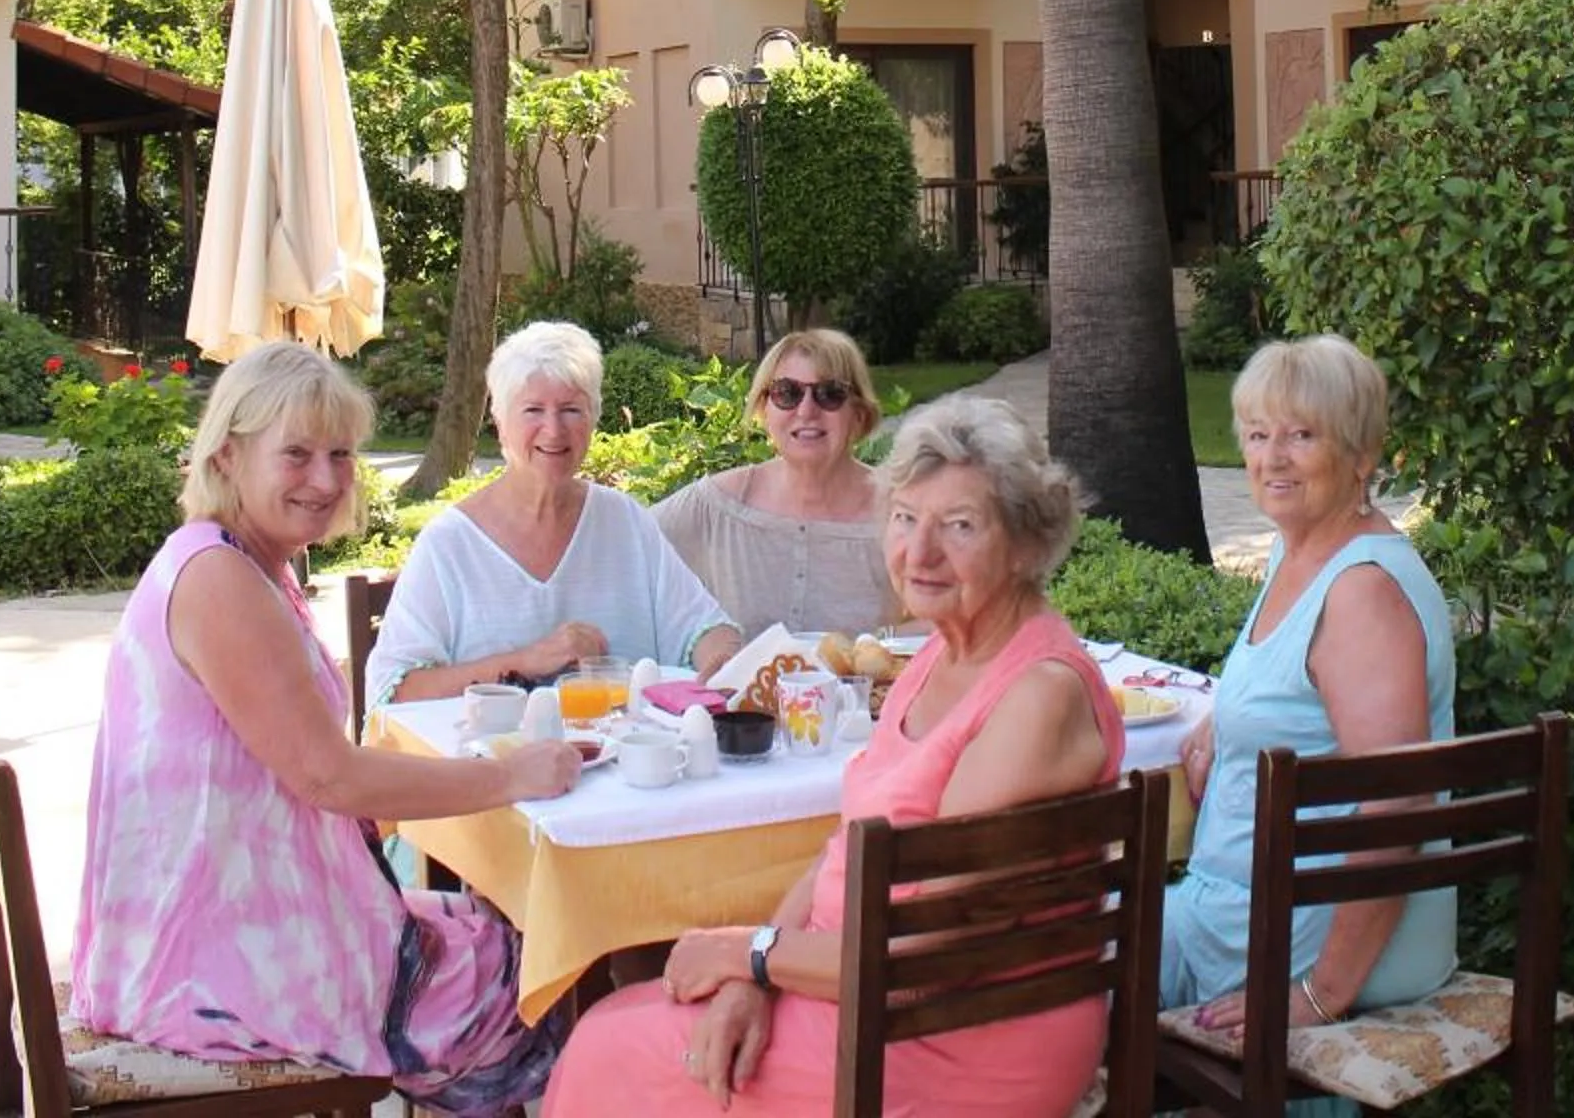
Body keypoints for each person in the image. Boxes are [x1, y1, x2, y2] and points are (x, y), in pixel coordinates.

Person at [543, 395, 1126, 1118]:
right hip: (865, 987)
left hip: (954, 1038)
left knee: (615, 1048)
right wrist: (754, 974)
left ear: (1027, 545)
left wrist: (750, 954)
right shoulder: (939, 654)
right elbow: (844, 849)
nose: (920, 553)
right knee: (627, 1023)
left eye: (960, 526)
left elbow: (923, 959)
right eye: (906, 519)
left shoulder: (1037, 696)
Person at [74, 341, 577, 1113]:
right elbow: (328, 777)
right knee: (531, 966)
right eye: (297, 454)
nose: (325, 478)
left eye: (340, 454)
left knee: (493, 929)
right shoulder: (219, 580)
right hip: (205, 964)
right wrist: (512, 775)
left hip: (212, 919)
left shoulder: (239, 561)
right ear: (229, 456)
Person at [1163, 335, 1458, 1040]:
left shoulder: (1361, 594)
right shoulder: (1297, 550)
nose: (1272, 457)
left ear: (1362, 455)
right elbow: (1300, 698)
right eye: (1260, 435)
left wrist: (1319, 994)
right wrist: (1223, 726)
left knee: (1045, 980)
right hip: (1245, 905)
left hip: (1289, 933)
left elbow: (1400, 803)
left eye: (1302, 436)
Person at [369, 320, 740, 708]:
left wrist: (725, 660)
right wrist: (525, 662)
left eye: (571, 410)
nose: (554, 430)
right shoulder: (449, 545)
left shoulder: (624, 522)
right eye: (533, 410)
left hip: (624, 759)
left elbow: (704, 628)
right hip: (492, 765)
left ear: (594, 419)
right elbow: (396, 691)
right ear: (499, 423)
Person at [652, 328, 900, 638]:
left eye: (830, 394)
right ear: (763, 408)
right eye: (787, 393)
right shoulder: (717, 507)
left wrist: (889, 643)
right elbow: (622, 548)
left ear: (859, 414)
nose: (807, 410)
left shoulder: (902, 512)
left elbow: (964, 615)